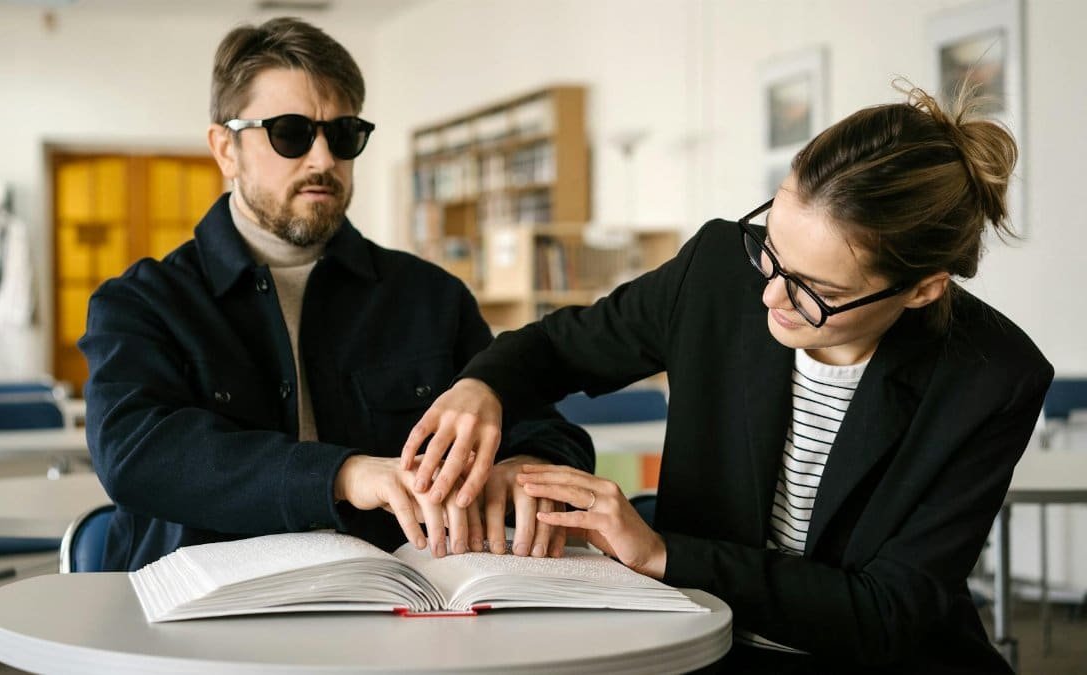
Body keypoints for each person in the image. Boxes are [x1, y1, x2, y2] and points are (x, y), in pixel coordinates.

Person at [403, 82, 1051, 673]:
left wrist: (661, 552)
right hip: (701, 642)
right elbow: (555, 345)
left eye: (813, 291)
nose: (770, 296)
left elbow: (887, 611)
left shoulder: (991, 377)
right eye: (771, 251)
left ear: (921, 290)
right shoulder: (717, 269)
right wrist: (480, 387)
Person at [78, 17, 592, 573]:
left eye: (343, 134)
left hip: (399, 610)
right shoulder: (142, 302)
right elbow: (137, 455)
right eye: (290, 133)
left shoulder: (431, 298)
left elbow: (546, 427)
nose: (323, 160)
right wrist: (344, 475)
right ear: (225, 148)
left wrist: (529, 464)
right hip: (203, 622)